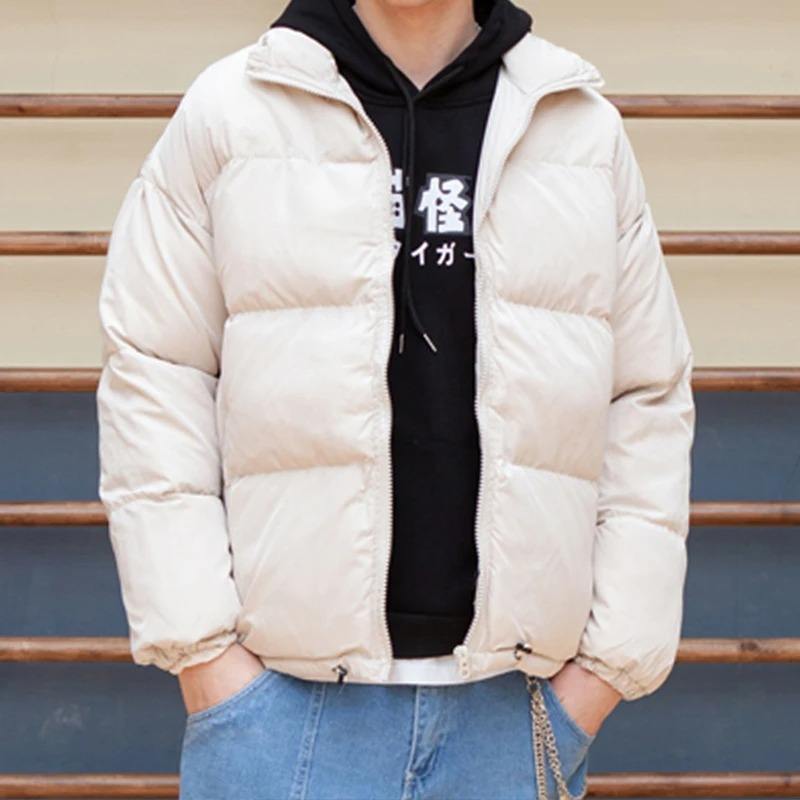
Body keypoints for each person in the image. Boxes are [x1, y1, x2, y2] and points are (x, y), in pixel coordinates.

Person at [95, 0, 696, 797]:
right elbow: (154, 374)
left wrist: (603, 674)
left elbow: (646, 395)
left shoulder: (577, 127)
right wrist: (207, 659)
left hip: (511, 720)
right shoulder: (230, 112)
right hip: (278, 719)